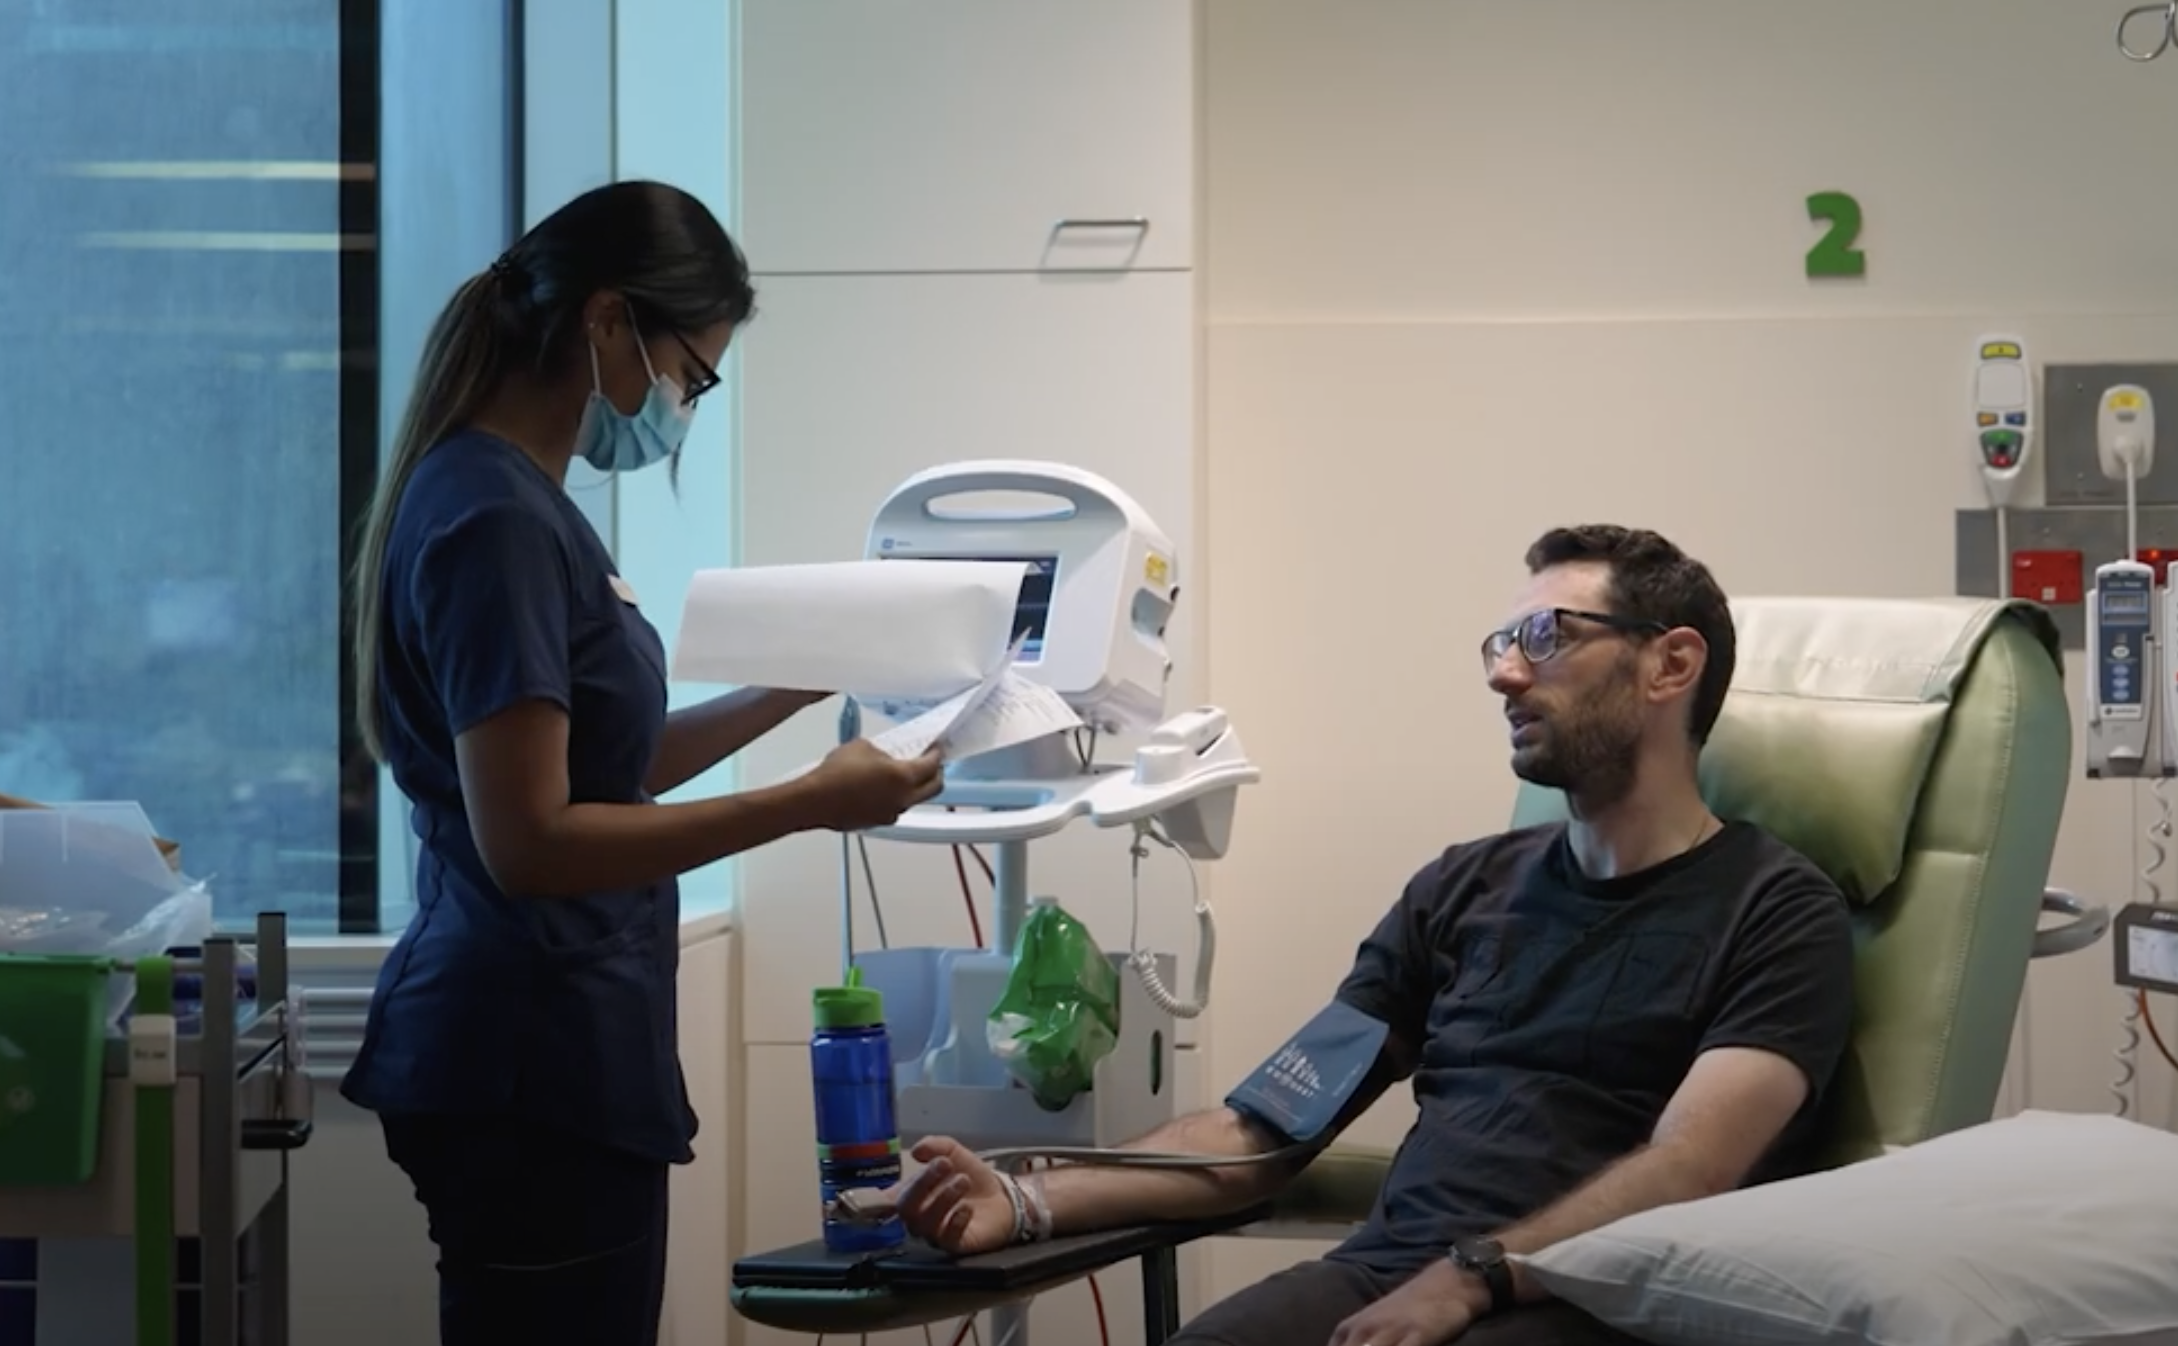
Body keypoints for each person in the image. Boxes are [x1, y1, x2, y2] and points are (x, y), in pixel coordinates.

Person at [891, 525, 1859, 1346]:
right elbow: (1267, 1129)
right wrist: (1026, 1197)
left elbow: (1692, 1165)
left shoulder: (1777, 910)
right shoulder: (1462, 888)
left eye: (1546, 636)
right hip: (1392, 1274)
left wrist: (1475, 1273)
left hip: (1599, 1297)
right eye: (1501, 641)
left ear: (1671, 663)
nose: (1505, 672)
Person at [340, 180, 945, 1346]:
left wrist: (800, 683)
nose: (682, 405)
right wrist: (809, 803)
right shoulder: (496, 517)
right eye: (692, 373)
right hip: (527, 1061)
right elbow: (534, 839)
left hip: (551, 1051)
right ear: (608, 319)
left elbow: (610, 765)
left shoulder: (519, 500)